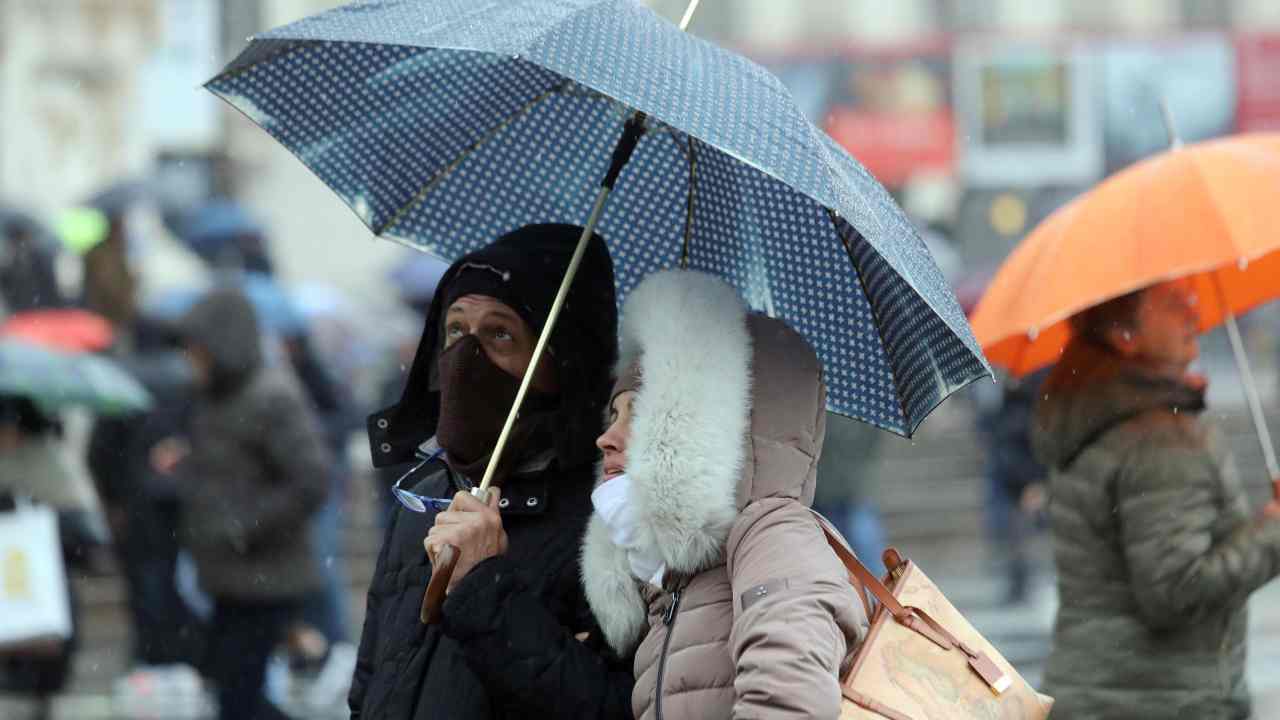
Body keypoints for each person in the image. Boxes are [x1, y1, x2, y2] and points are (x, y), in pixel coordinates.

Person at [350, 224, 629, 719]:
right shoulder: (428, 495)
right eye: (456, 330)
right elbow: (372, 681)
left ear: (562, 359)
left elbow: (603, 707)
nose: (465, 358)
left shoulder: (608, 521)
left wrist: (484, 585)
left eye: (500, 333)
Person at [578, 270, 866, 719]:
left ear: (704, 431)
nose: (607, 438)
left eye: (642, 416)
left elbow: (790, 704)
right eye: (612, 415)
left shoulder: (771, 536)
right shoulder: (671, 575)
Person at [1032, 278, 1280, 719]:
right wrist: (1273, 534)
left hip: (1098, 691)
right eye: (1172, 303)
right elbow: (1176, 591)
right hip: (1162, 700)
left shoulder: (1092, 417)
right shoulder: (1160, 441)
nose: (1194, 312)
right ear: (1124, 335)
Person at [176, 288, 331, 720]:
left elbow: (311, 479)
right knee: (233, 690)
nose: (190, 359)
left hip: (266, 575)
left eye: (197, 348)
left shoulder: (270, 396)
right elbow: (228, 468)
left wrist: (244, 525)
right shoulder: (216, 397)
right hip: (228, 574)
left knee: (240, 696)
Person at [813, 412, 888, 576]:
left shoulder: (858, 407)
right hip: (821, 495)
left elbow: (871, 439)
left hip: (849, 492)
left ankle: (880, 597)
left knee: (866, 549)